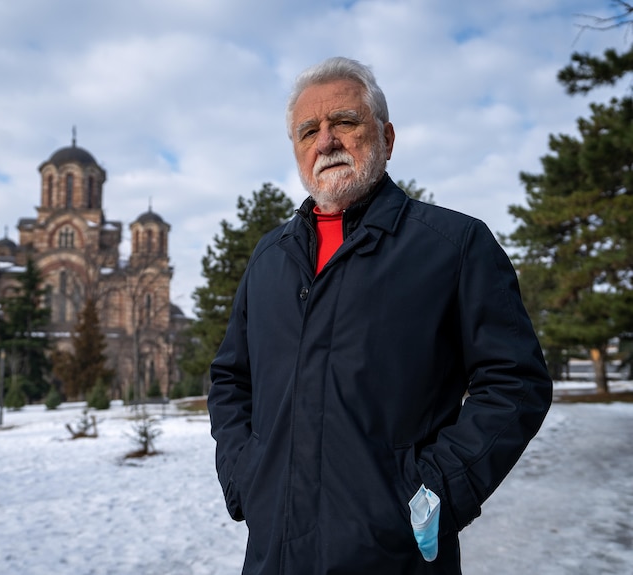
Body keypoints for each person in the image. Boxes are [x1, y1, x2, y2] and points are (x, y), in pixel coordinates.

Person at [207, 56, 553, 575]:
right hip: (273, 556)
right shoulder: (269, 258)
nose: (325, 141)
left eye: (344, 121)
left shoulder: (454, 247)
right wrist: (243, 474)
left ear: (387, 138)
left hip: (395, 557)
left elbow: (515, 382)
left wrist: (440, 488)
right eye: (308, 131)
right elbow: (231, 378)